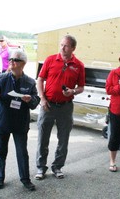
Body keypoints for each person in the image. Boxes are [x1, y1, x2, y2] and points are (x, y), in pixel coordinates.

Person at [0, 49, 40, 191]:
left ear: (23, 63)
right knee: (0, 151)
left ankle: (25, 179)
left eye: (15, 60)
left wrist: (30, 99)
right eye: (10, 59)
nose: (11, 62)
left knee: (22, 152)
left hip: (20, 123)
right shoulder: (2, 78)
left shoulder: (29, 82)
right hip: (3, 121)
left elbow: (35, 103)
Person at [35, 35, 85, 180]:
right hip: (48, 105)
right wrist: (42, 99)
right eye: (61, 45)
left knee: (63, 139)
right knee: (42, 138)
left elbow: (81, 87)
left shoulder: (78, 65)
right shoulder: (50, 60)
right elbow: (40, 80)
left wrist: (72, 91)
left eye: (66, 46)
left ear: (73, 48)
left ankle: (57, 167)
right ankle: (41, 167)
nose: (62, 48)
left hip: (65, 107)